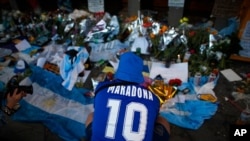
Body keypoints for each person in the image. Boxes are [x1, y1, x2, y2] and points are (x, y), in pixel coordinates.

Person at [85, 51, 170, 141]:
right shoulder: (153, 98)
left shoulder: (102, 89)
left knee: (91, 116)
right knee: (162, 121)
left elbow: (98, 109)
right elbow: (154, 118)